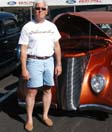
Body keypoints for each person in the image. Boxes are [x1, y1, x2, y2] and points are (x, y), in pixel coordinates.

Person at [18, 0, 62, 131]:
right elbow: (23, 50)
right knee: (32, 91)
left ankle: (45, 116)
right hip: (33, 62)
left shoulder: (52, 27)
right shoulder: (27, 27)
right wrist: (24, 68)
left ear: (47, 11)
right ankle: (30, 119)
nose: (40, 10)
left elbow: (57, 46)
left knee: (47, 89)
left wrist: (58, 63)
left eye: (43, 8)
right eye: (37, 8)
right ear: (34, 10)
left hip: (49, 61)